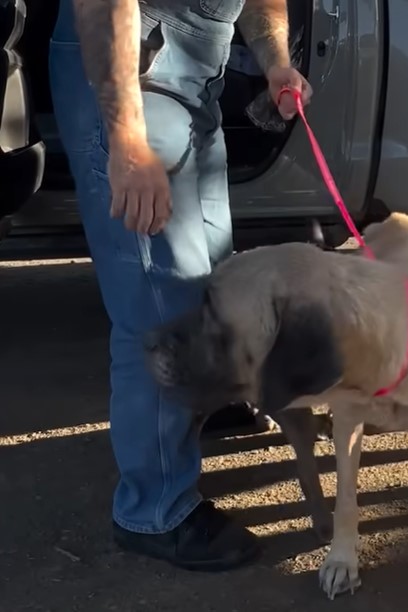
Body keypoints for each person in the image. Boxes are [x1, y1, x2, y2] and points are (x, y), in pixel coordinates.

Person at [48, 0, 312, 571]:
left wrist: (275, 64)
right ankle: (153, 510)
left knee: (209, 275)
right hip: (125, 78)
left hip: (193, 83)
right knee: (159, 300)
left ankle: (200, 398)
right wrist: (127, 142)